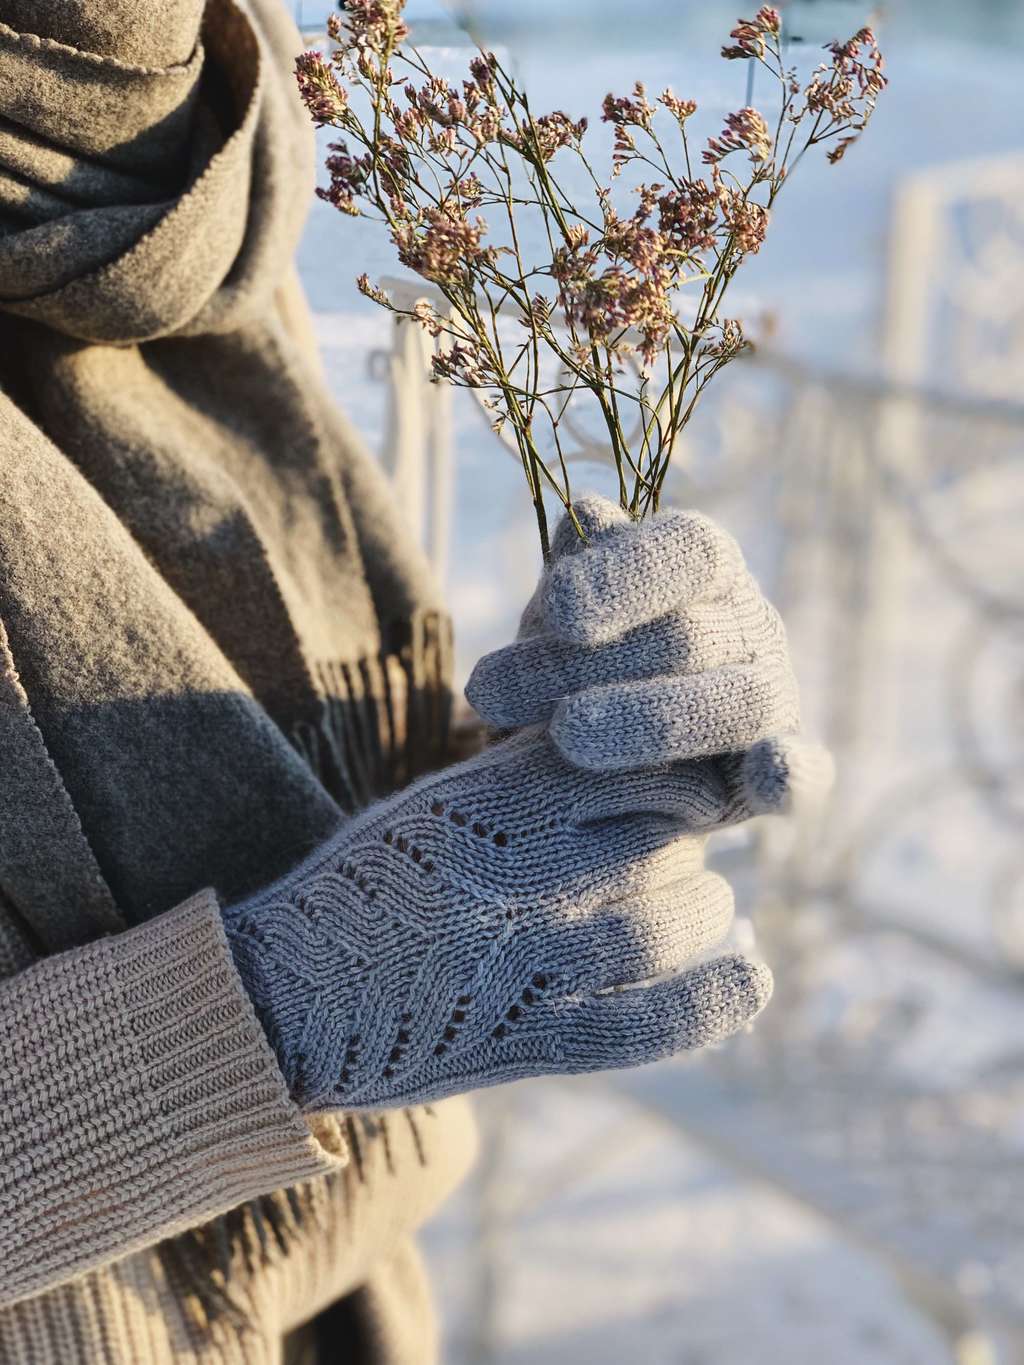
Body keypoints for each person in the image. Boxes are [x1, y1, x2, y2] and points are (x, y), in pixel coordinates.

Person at [0, 0, 829, 1359]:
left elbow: (262, 756)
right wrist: (270, 1010)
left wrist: (560, 745)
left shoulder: (202, 150)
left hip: (352, 1306)